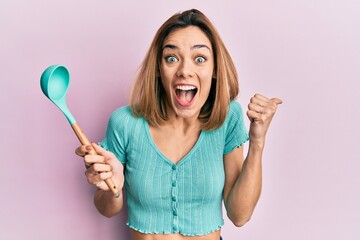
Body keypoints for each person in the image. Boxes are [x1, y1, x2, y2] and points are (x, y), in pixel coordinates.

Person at [76, 9, 282, 240]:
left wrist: (257, 141)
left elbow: (240, 215)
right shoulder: (124, 123)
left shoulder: (228, 117)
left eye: (200, 59)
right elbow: (106, 209)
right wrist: (112, 191)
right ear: (158, 69)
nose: (185, 70)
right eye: (171, 58)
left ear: (214, 70)